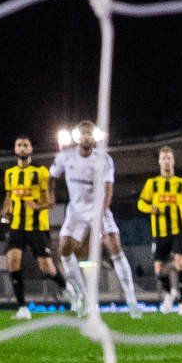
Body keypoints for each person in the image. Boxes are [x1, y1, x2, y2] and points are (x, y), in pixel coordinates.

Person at [50, 122, 142, 316]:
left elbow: (108, 190)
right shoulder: (65, 157)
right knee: (64, 250)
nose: (86, 137)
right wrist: (50, 195)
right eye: (83, 134)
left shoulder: (104, 160)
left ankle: (131, 300)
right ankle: (84, 296)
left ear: (94, 137)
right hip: (76, 212)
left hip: (99, 210)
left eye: (89, 134)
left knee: (115, 249)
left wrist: (100, 217)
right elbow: (51, 176)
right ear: (77, 137)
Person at [136, 146, 182, 314]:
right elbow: (140, 203)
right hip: (159, 232)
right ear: (159, 161)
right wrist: (150, 208)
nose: (166, 161)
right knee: (159, 269)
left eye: (169, 158)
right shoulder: (152, 184)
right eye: (163, 158)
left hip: (179, 229)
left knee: (181, 262)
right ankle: (169, 295)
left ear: (173, 161)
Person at [3, 135, 63, 320]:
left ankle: (69, 289)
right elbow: (9, 196)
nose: (22, 148)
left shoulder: (41, 172)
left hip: (37, 227)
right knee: (13, 262)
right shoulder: (10, 173)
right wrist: (4, 210)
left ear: (30, 150)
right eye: (19, 145)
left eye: (25, 145)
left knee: (47, 268)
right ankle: (22, 308)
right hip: (17, 227)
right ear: (15, 149)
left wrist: (37, 206)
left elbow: (51, 201)